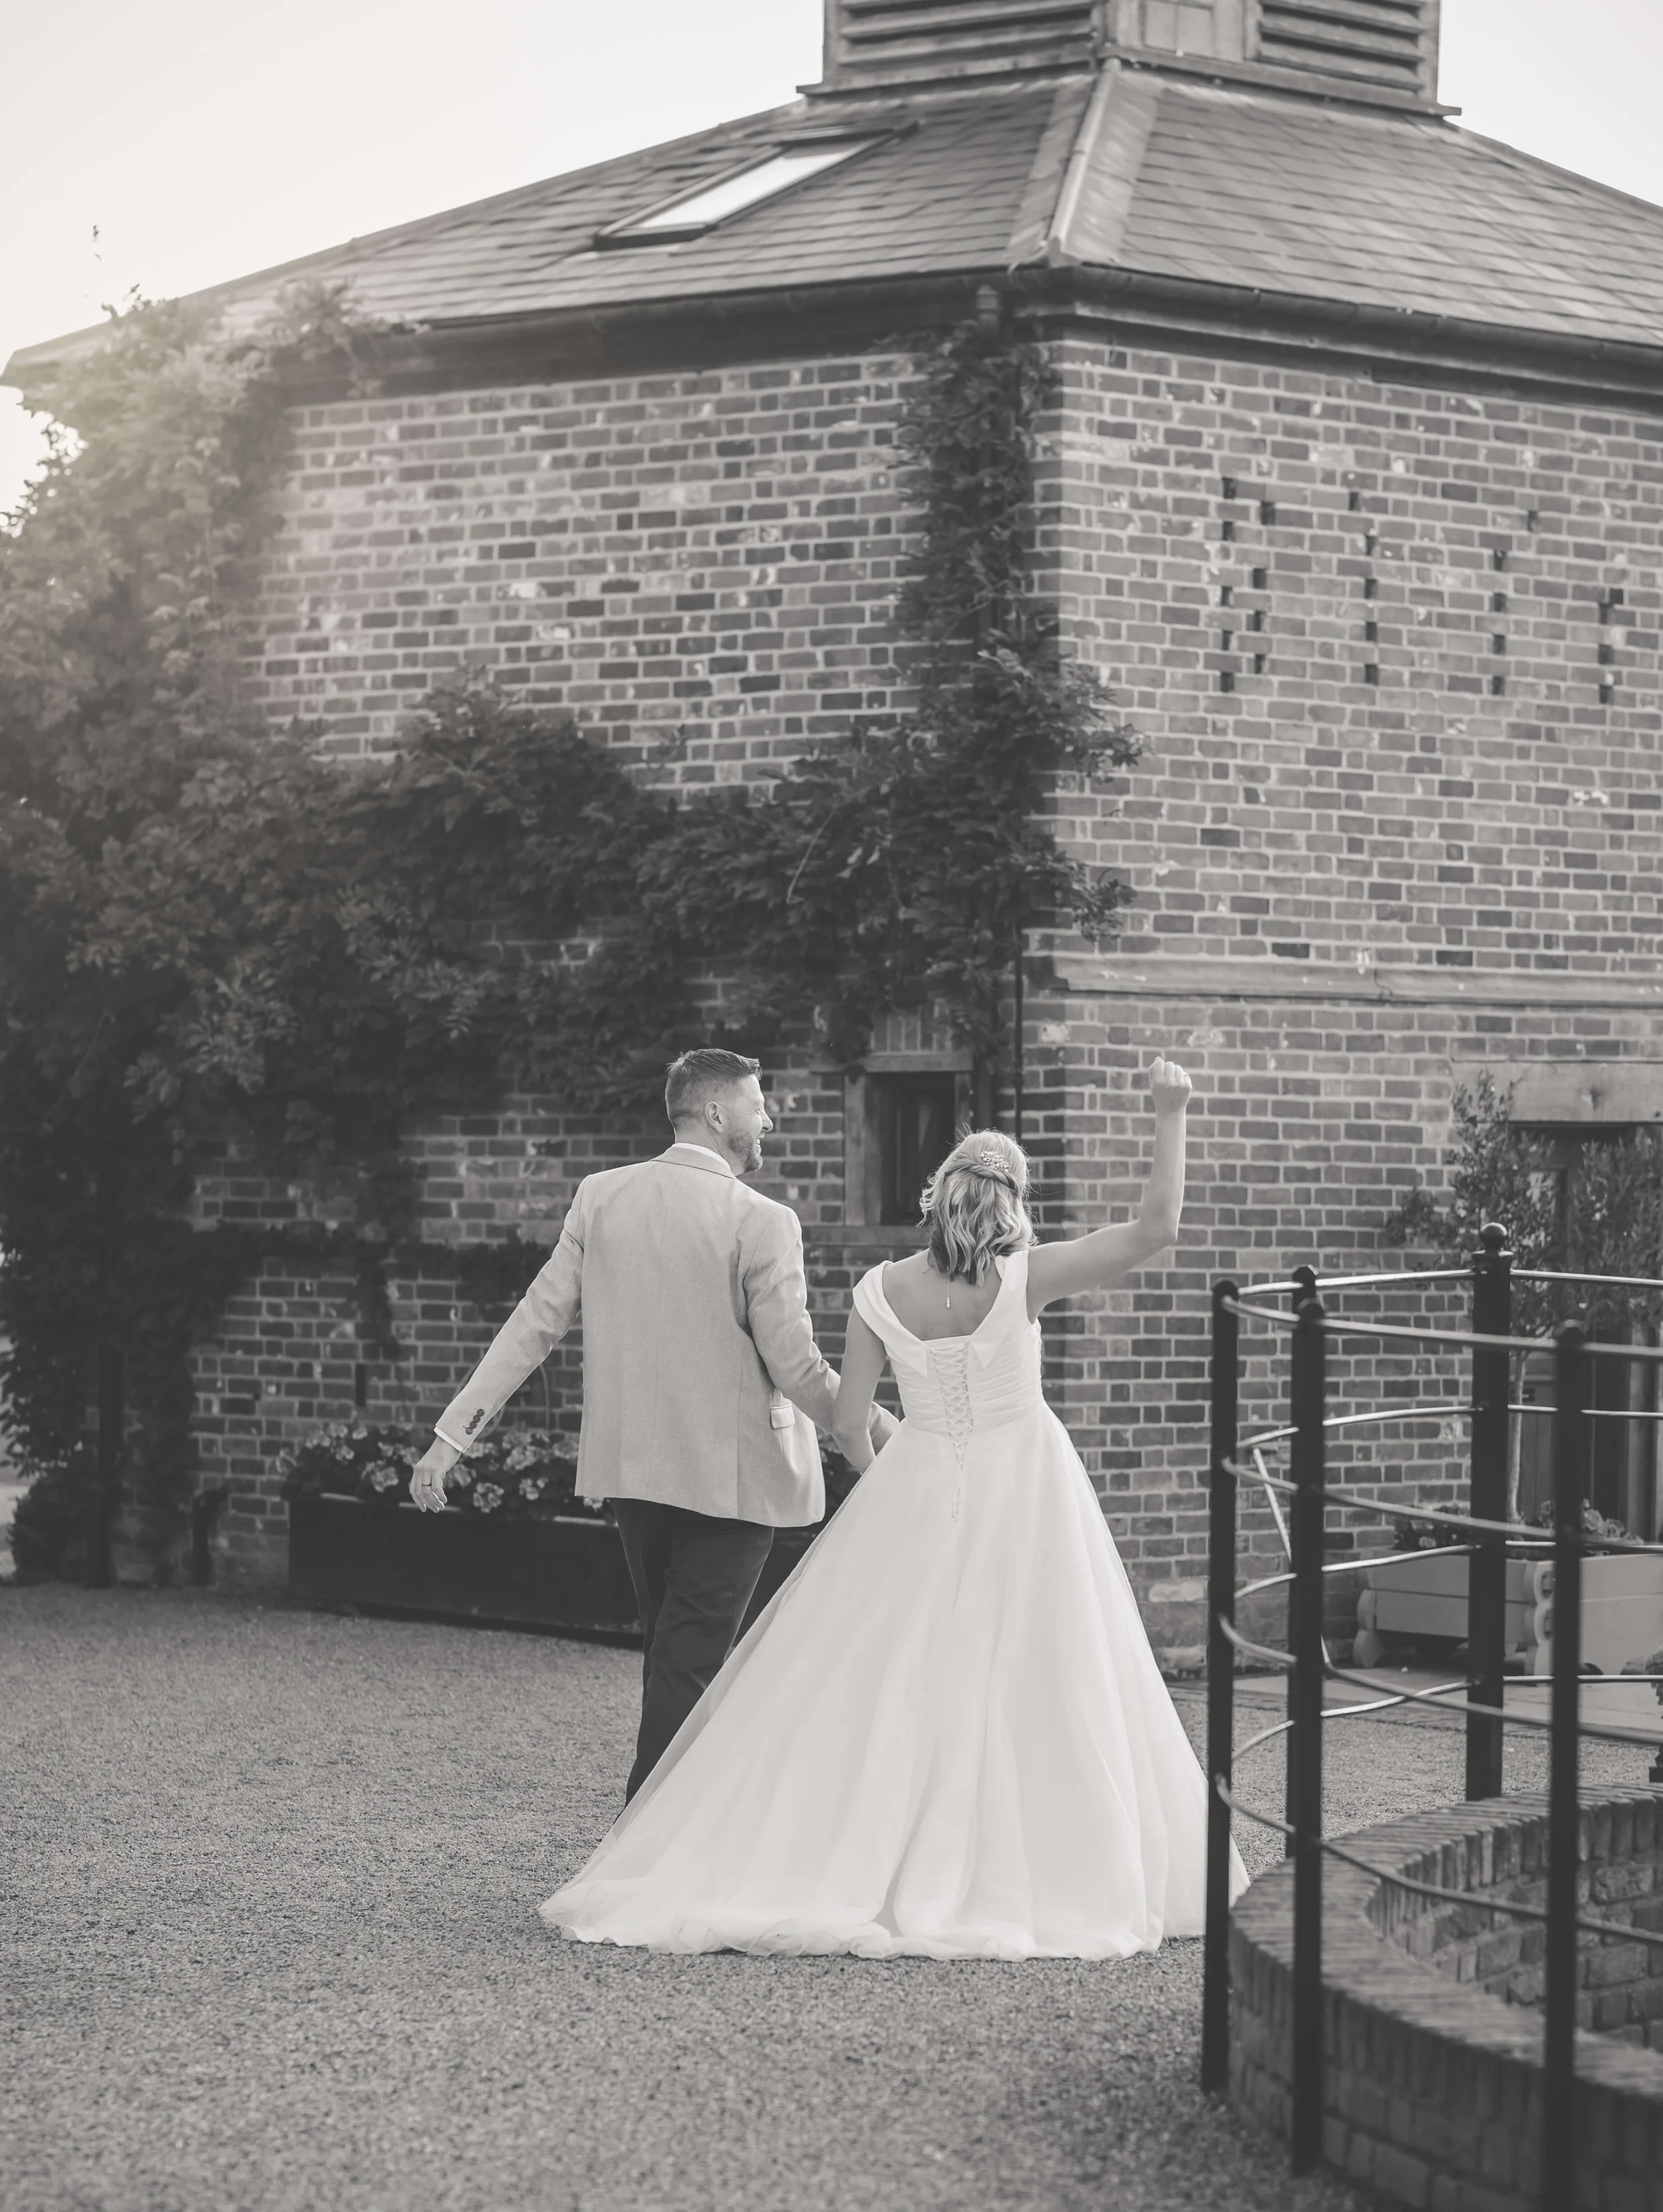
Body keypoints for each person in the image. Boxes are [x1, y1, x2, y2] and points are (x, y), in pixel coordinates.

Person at [541, 1054, 1249, 1959]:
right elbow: (1156, 1228)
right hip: (1026, 1488)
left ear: (938, 1194)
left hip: (915, 1481)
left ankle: (852, 1852)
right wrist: (1170, 1111)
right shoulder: (1024, 1278)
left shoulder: (880, 1291)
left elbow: (845, 1422)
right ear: (1011, 1201)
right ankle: (1029, 1861)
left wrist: (900, 1484)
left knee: (886, 1682)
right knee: (1045, 1670)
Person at [408, 1048, 893, 1801]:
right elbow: (797, 1368)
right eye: (758, 1106)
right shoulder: (762, 1221)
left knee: (673, 1656)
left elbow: (532, 1325)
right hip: (733, 1486)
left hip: (637, 1478)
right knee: (687, 1662)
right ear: (716, 1113)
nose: (768, 1120)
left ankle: (684, 1837)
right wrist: (878, 1438)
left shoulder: (601, 1197)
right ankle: (642, 1849)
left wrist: (452, 1436)